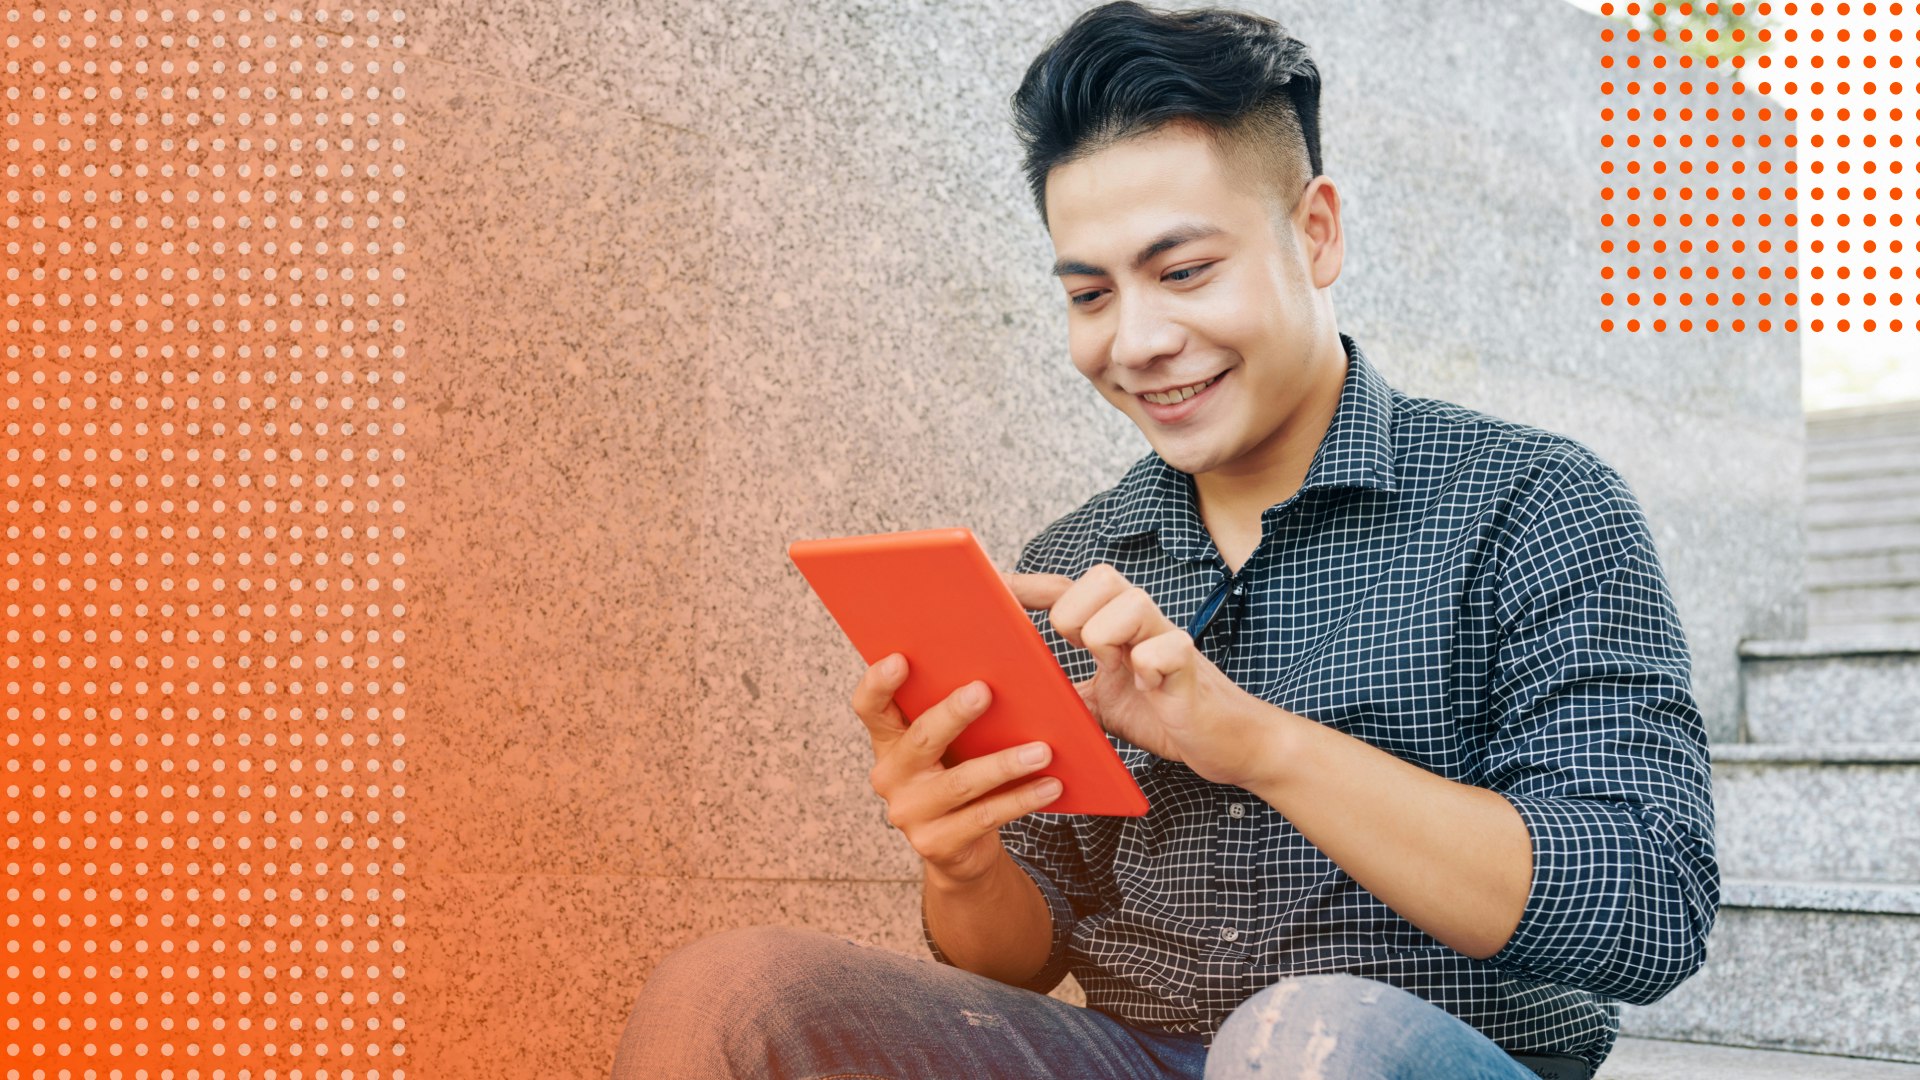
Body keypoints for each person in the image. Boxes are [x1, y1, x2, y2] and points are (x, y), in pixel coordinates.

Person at [611, 3, 1719, 1078]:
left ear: (1315, 232)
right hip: (1128, 1048)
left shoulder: (1534, 502)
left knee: (1307, 1037)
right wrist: (959, 858)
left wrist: (1250, 741)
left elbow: (1644, 913)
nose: (1137, 341)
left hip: (1403, 1054)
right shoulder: (1081, 559)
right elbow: (1023, 954)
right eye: (1091, 294)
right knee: (731, 994)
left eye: (1184, 272)